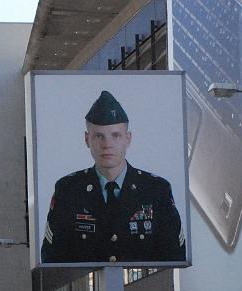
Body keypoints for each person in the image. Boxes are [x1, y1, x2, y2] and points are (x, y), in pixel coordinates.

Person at [40, 90, 184, 265]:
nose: (107, 144)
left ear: (128, 139)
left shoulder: (155, 189)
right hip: (90, 290)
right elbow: (52, 258)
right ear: (87, 139)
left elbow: (175, 257)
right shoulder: (68, 190)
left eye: (116, 135)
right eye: (99, 136)